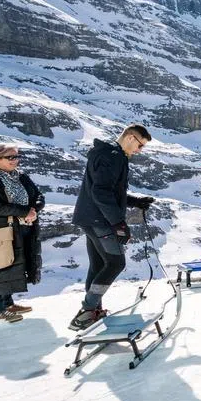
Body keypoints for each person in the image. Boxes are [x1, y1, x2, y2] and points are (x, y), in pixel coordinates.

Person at [69, 124, 155, 330]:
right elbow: (101, 193)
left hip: (89, 218)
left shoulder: (109, 154)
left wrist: (134, 201)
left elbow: (106, 190)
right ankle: (87, 310)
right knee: (116, 263)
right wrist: (118, 223)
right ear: (131, 138)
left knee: (99, 265)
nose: (139, 151)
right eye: (140, 146)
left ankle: (93, 312)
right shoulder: (113, 157)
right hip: (100, 220)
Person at [0, 144, 45, 326]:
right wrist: (23, 211)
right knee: (1, 267)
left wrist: (33, 209)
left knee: (13, 266)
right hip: (0, 232)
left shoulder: (20, 176)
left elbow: (38, 195)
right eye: (10, 157)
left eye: (16, 156)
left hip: (21, 229)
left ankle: (8, 304)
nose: (15, 160)